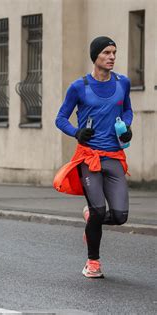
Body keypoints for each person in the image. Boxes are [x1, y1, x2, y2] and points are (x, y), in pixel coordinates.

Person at [54, 36, 133, 278]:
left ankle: (90, 218)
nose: (111, 57)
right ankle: (93, 262)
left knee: (120, 216)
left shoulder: (123, 83)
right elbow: (60, 118)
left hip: (114, 156)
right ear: (95, 56)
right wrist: (77, 132)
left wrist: (127, 126)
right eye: (106, 53)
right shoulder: (80, 86)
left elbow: (128, 109)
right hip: (89, 157)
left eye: (114, 53)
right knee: (99, 210)